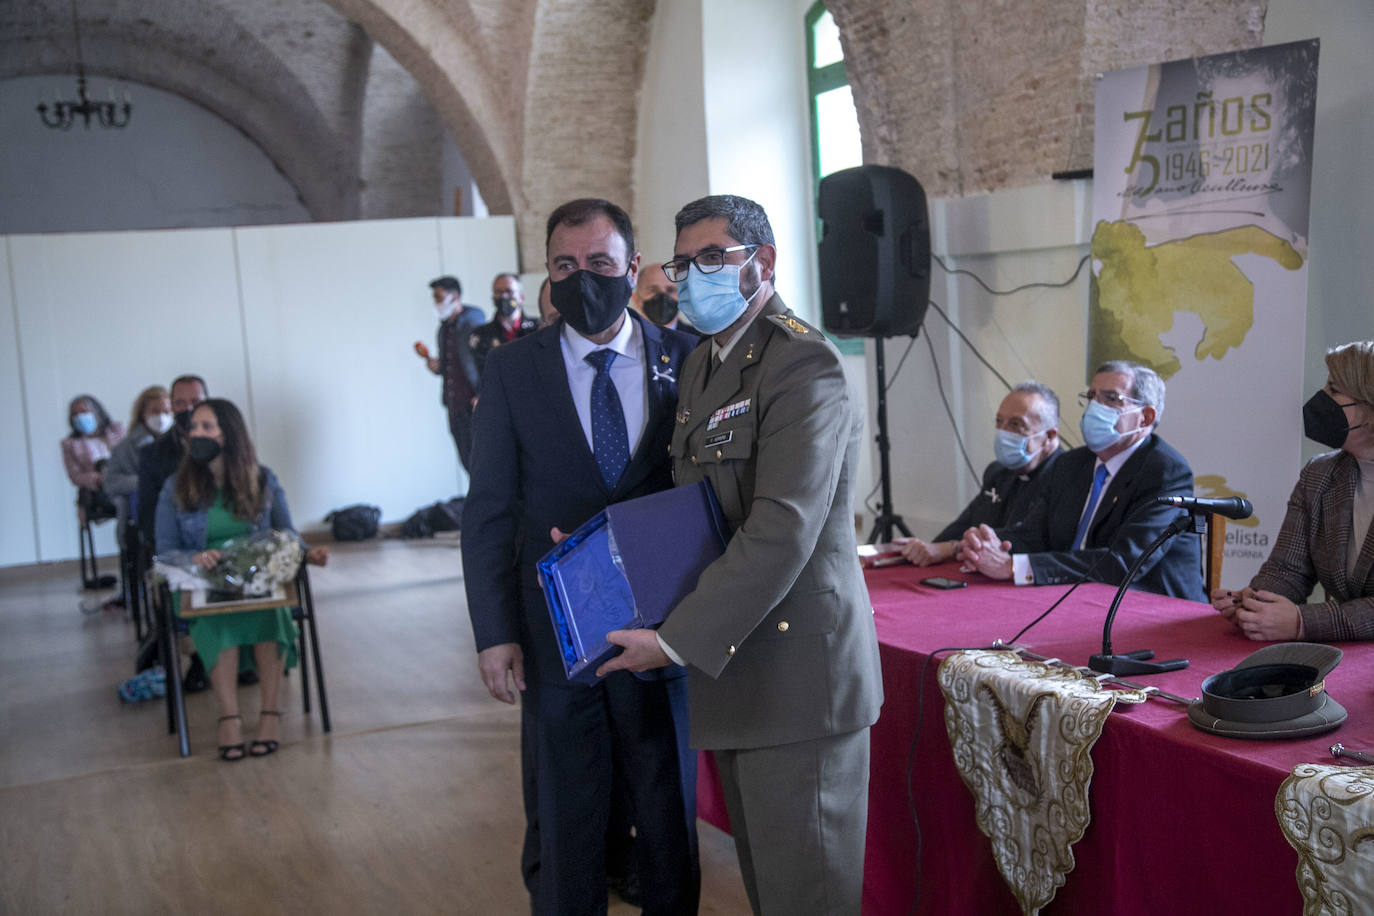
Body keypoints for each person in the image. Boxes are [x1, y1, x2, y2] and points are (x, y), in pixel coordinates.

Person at [598, 194, 884, 915]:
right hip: (737, 667)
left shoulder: (803, 363)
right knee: (772, 894)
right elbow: (693, 509)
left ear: (764, 262)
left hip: (796, 678)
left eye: (711, 258)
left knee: (808, 899)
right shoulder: (704, 362)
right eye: (683, 263)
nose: (693, 277)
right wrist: (599, 552)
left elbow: (782, 527)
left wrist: (673, 641)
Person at [462, 198, 699, 915]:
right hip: (555, 631)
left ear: (633, 267)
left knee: (666, 808)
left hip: (661, 624)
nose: (582, 278)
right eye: (564, 266)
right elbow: (489, 509)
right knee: (567, 810)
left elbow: (708, 493)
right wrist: (494, 632)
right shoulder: (511, 370)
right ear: (547, 272)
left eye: (599, 263)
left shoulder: (688, 359)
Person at [155, 398, 327, 761]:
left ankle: (270, 713)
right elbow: (165, 550)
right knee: (219, 617)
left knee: (272, 612)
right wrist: (195, 558)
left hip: (255, 576)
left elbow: (286, 533)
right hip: (202, 580)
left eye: (207, 427)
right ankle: (229, 718)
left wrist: (307, 552)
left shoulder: (262, 479)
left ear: (229, 435)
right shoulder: (175, 486)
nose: (196, 434)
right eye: (194, 427)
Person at [958, 360, 1206, 600]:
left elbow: (1125, 561)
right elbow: (1034, 536)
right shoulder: (1071, 464)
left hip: (1152, 607)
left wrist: (1014, 567)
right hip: (1074, 598)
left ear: (1146, 417)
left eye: (1111, 398)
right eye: (1091, 396)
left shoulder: (1166, 472)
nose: (1095, 407)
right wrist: (986, 544)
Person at [1212, 341, 1374, 641]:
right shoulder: (1319, 474)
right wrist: (1254, 604)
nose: (1320, 398)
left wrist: (1303, 623)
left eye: (1334, 390)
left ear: (1369, 405)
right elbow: (1287, 570)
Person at [896, 381, 1062, 566]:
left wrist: (952, 548)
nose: (1003, 432)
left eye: (1015, 424)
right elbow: (965, 525)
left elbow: (1029, 539)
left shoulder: (1066, 479)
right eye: (999, 421)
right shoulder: (998, 473)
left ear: (1049, 436)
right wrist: (928, 547)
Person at [414, 275, 485, 471]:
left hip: (474, 405)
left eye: (439, 297)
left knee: (482, 462)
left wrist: (482, 394)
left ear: (454, 297)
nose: (436, 303)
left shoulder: (473, 324)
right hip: (454, 407)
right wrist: (435, 365)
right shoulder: (443, 329)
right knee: (467, 462)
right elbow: (449, 366)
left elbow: (484, 362)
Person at [137, 375, 209, 546]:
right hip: (181, 544)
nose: (189, 409)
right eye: (180, 403)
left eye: (195, 402)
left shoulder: (227, 447)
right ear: (172, 406)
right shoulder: (152, 455)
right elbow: (149, 515)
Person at [106, 385, 173, 542]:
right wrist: (145, 481)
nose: (161, 417)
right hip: (144, 509)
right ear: (143, 413)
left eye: (166, 411)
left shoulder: (184, 443)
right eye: (155, 411)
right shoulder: (124, 448)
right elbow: (111, 482)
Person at [62, 394, 126, 526]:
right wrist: (99, 478)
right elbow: (75, 476)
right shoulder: (70, 444)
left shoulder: (117, 431)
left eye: (84, 412)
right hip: (98, 490)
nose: (80, 417)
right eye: (75, 414)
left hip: (124, 480)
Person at [470, 273, 538, 377]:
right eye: (498, 292)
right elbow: (484, 374)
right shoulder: (481, 334)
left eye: (509, 291)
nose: (503, 296)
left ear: (521, 298)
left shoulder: (538, 328)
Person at [630, 261, 697, 334]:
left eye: (671, 290)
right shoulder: (624, 336)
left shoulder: (699, 339)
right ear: (636, 299)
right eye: (653, 290)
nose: (663, 298)